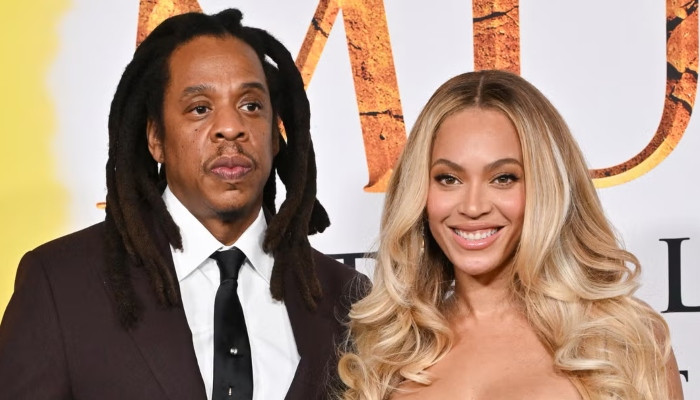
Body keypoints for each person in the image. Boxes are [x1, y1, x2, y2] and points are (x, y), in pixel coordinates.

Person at [0, 8, 367, 400]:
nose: (231, 127)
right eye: (200, 108)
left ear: (275, 137)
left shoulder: (350, 300)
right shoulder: (61, 285)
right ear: (155, 139)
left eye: (251, 105)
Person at [338, 70, 683, 399]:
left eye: (503, 178)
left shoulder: (619, 338)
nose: (473, 206)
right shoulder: (394, 349)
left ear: (545, 187)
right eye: (449, 179)